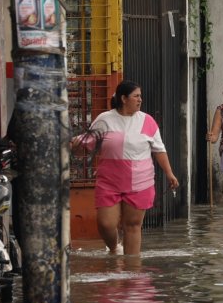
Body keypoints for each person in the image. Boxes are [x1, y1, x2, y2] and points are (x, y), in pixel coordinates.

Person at [70, 81, 179, 255]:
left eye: (140, 96)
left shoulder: (147, 121)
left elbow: (159, 149)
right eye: (136, 96)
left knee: (133, 226)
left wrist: (169, 173)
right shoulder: (105, 119)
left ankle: (132, 270)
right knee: (106, 224)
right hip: (109, 181)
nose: (140, 100)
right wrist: (74, 143)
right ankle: (114, 248)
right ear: (123, 98)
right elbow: (86, 141)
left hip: (140, 181)